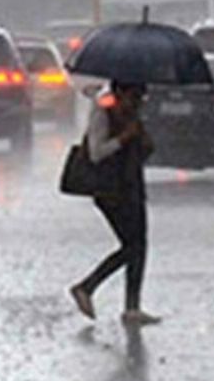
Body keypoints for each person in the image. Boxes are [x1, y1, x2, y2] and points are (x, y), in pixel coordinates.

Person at [69, 81, 162, 326]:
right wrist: (124, 138)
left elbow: (140, 152)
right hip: (109, 189)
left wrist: (142, 141)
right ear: (120, 92)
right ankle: (86, 287)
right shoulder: (103, 112)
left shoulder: (131, 115)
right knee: (132, 247)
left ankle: (132, 308)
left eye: (140, 98)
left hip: (131, 186)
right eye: (133, 96)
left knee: (139, 245)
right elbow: (97, 152)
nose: (138, 102)